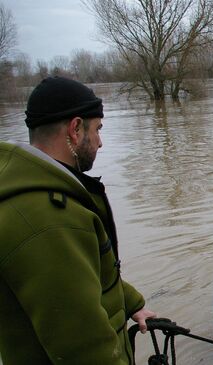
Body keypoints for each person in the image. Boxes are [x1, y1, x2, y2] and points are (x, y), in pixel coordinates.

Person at [0, 76, 156, 364]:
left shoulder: (48, 193)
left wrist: (131, 305)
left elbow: (89, 277)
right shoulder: (49, 222)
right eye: (97, 130)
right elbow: (85, 348)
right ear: (75, 129)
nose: (100, 142)